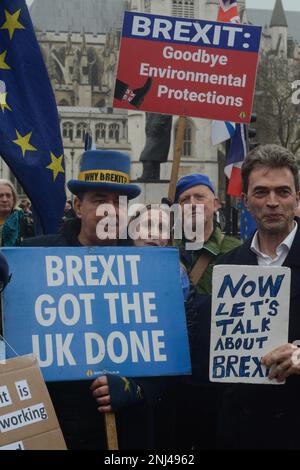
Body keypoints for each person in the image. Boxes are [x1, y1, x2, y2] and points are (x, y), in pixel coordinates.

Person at [22, 149, 170, 450]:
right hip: (55, 428)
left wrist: (135, 389)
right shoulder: (35, 258)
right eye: (100, 200)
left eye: (119, 203)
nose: (111, 211)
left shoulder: (150, 267)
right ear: (78, 206)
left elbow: (172, 357)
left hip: (126, 432)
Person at [215, 144, 300, 449]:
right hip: (239, 433)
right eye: (261, 192)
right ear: (246, 201)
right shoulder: (225, 267)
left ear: (298, 200)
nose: (273, 202)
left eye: (283, 192)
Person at [175, 173, 241, 295]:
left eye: (199, 197)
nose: (193, 204)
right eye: (185, 199)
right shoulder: (168, 248)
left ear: (215, 204)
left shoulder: (236, 249)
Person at [0, 179, 32, 246]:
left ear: (13, 199)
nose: (4, 200)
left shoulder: (25, 220)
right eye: (0, 196)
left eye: (8, 195)